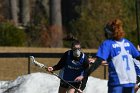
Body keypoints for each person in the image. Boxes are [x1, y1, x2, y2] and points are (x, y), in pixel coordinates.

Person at [82, 18, 140, 93]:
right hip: (131, 81)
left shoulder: (108, 43)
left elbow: (99, 60)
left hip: (117, 81)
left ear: (108, 33)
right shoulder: (128, 43)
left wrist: (85, 74)